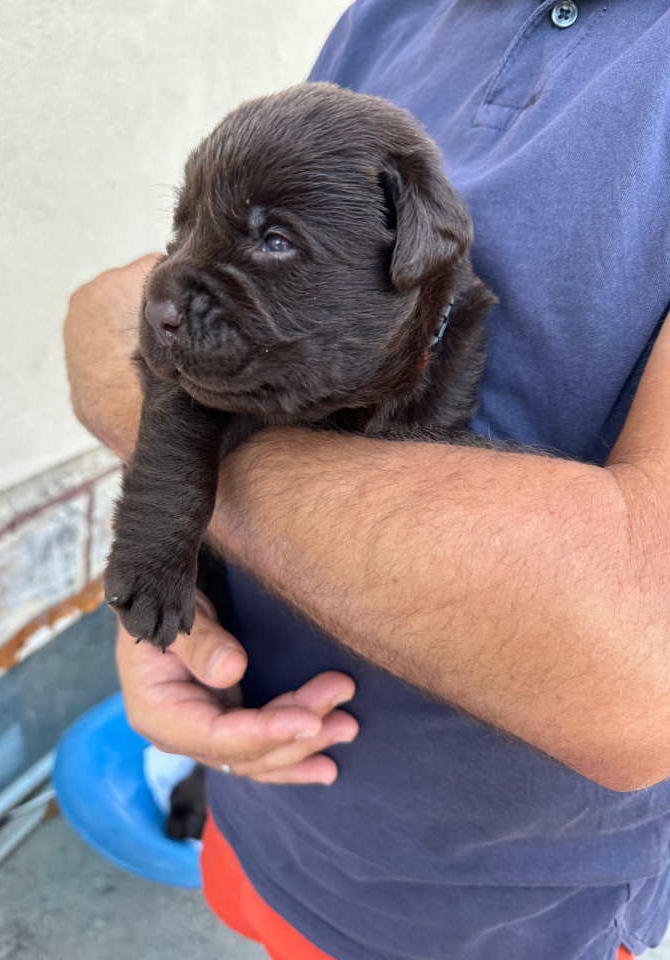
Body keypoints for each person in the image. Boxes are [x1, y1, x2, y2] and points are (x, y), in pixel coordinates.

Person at [63, 2, 670, 958]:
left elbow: (643, 667)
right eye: (184, 227)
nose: (170, 294)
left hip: (503, 918)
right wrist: (159, 559)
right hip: (266, 822)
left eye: (271, 240)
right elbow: (108, 326)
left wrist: (198, 464)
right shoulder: (390, 18)